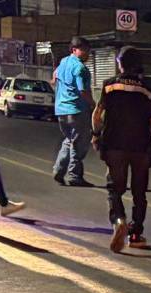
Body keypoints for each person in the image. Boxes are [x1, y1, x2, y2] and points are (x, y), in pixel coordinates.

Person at [91, 46, 151, 252]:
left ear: (120, 63)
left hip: (114, 145)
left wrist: (96, 134)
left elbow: (97, 115)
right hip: (141, 148)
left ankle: (119, 220)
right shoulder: (147, 90)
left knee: (114, 189)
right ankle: (136, 234)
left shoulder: (109, 86)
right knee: (139, 193)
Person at [52, 36, 95, 187]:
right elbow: (83, 91)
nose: (87, 53)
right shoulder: (80, 68)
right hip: (76, 110)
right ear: (74, 49)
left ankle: (58, 169)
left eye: (88, 50)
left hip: (61, 110)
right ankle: (74, 176)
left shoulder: (63, 62)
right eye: (84, 50)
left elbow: (54, 76)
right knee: (79, 144)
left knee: (70, 140)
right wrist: (93, 104)